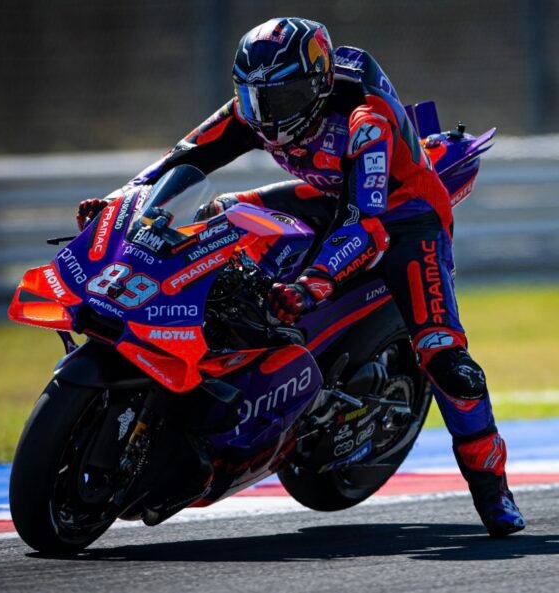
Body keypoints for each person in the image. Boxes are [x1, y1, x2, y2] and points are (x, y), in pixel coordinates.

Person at [77, 17, 525, 537]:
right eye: (255, 97)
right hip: (330, 196)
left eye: (283, 97)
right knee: (217, 217)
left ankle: (492, 491)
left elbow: (365, 225)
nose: (267, 114)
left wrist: (312, 283)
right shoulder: (254, 109)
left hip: (404, 218)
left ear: (319, 85)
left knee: (447, 359)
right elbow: (185, 158)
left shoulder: (365, 121)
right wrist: (121, 202)